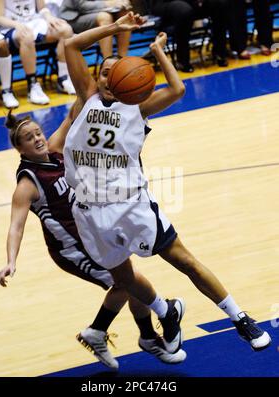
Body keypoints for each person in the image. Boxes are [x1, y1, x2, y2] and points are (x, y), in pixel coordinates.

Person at [63, 11, 271, 352]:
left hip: (129, 204)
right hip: (88, 209)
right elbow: (71, 44)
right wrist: (115, 28)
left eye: (114, 73)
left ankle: (240, 318)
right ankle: (167, 311)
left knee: (184, 260)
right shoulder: (88, 99)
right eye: (103, 73)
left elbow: (178, 88)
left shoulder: (137, 108)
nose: (107, 78)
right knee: (124, 280)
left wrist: (158, 51)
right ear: (96, 79)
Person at [0, 100, 187, 370]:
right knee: (127, 281)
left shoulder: (55, 149)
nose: (37, 139)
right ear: (20, 149)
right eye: (29, 138)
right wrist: (11, 261)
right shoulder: (27, 184)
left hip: (92, 231)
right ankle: (146, 323)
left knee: (130, 279)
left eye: (37, 133)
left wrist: (93, 90)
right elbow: (16, 226)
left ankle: (133, 334)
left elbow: (72, 116)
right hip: (71, 248)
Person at [0, 0, 76, 106]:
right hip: (10, 27)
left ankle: (63, 78)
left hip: (34, 22)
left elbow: (42, 8)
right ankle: (32, 86)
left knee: (66, 30)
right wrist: (16, 24)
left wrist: (49, 17)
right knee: (27, 37)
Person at [149, 0, 229, 72]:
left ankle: (220, 53)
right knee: (184, 10)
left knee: (219, 3)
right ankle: (182, 61)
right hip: (165, 2)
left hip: (190, 3)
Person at [59, 0, 132, 58]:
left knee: (126, 14)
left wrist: (123, 1)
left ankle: (123, 59)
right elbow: (83, 6)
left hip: (101, 11)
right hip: (74, 17)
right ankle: (108, 63)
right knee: (105, 17)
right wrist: (108, 3)